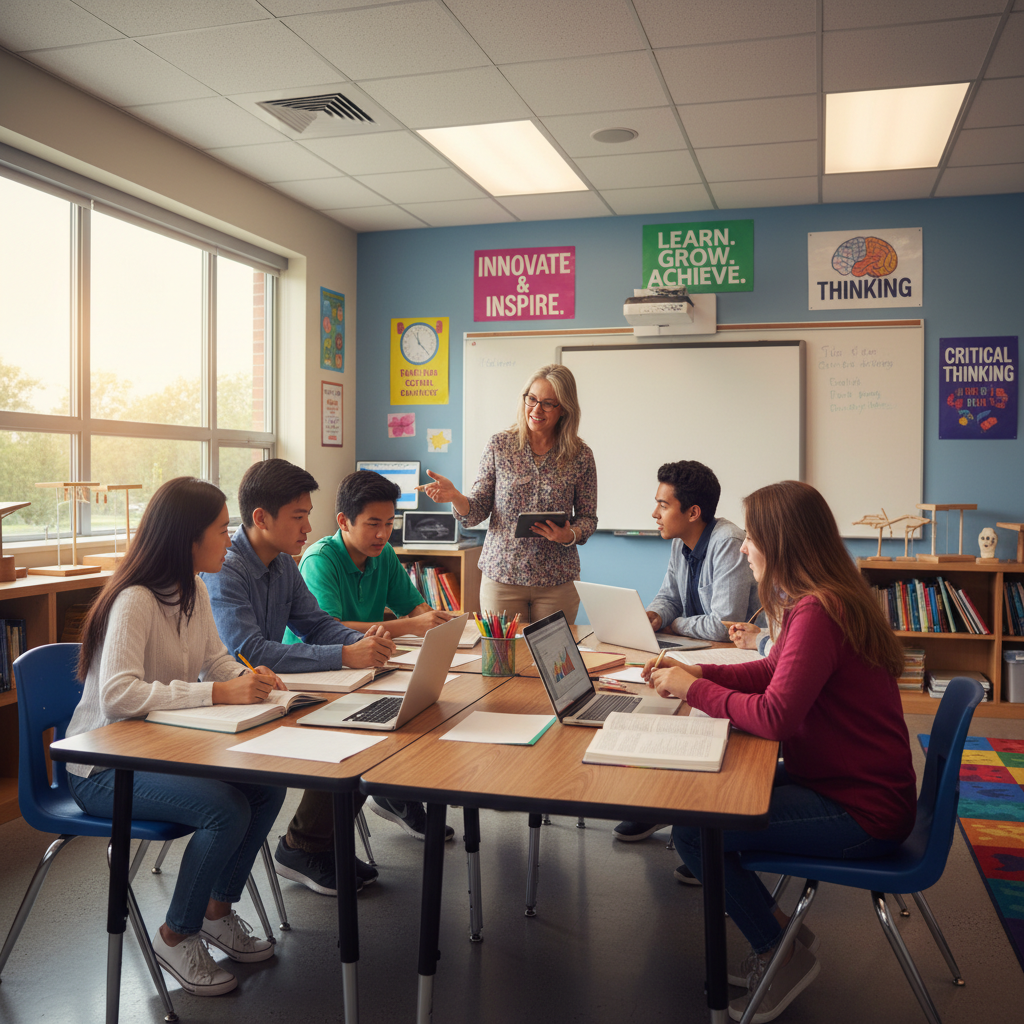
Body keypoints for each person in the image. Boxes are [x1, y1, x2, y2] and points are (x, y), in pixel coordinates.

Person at [644, 480, 916, 1024]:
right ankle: (783, 935)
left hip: (862, 810)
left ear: (783, 541)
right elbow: (772, 672)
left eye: (753, 539)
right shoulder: (821, 599)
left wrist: (692, 689)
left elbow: (774, 717)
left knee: (696, 832)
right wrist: (700, 670)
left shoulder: (818, 611)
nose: (743, 548)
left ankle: (781, 949)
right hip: (846, 782)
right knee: (705, 812)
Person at [66, 477, 288, 998]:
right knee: (225, 809)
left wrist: (245, 676)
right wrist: (217, 695)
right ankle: (175, 934)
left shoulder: (194, 589)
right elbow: (119, 696)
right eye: (221, 528)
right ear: (188, 536)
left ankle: (216, 911)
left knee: (266, 788)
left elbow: (213, 660)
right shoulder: (136, 599)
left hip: (159, 751)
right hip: (101, 768)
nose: (229, 538)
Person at [200, 460, 416, 899]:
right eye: (299, 516)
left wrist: (365, 646)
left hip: (272, 691)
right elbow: (248, 651)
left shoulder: (282, 563)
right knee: (344, 734)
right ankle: (303, 846)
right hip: (226, 704)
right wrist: (343, 654)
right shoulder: (226, 569)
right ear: (261, 518)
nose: (307, 526)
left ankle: (318, 843)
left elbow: (317, 624)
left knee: (366, 728)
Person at [282, 468, 456, 846]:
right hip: (317, 672)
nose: (383, 534)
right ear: (343, 521)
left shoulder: (385, 556)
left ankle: (397, 793)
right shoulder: (319, 560)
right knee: (363, 727)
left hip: (362, 666)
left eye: (389, 524)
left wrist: (434, 622)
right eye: (373, 524)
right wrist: (412, 627)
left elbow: (414, 608)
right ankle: (306, 844)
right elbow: (328, 628)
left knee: (424, 705)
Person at [615, 459, 760, 843]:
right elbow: (669, 597)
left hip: (735, 654)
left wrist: (673, 624)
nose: (655, 513)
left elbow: (723, 624)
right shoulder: (681, 543)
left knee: (683, 713)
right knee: (652, 698)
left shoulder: (727, 542)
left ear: (692, 513)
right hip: (699, 649)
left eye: (664, 505)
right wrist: (654, 616)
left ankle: (701, 824)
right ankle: (663, 807)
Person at [421, 363, 597, 624]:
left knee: (551, 660)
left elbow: (588, 518)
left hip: (557, 581)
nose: (536, 409)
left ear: (564, 410)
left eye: (548, 403)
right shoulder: (499, 446)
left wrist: (568, 534)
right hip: (501, 578)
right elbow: (477, 509)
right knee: (502, 659)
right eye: (532, 399)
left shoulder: (580, 455)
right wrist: (456, 497)